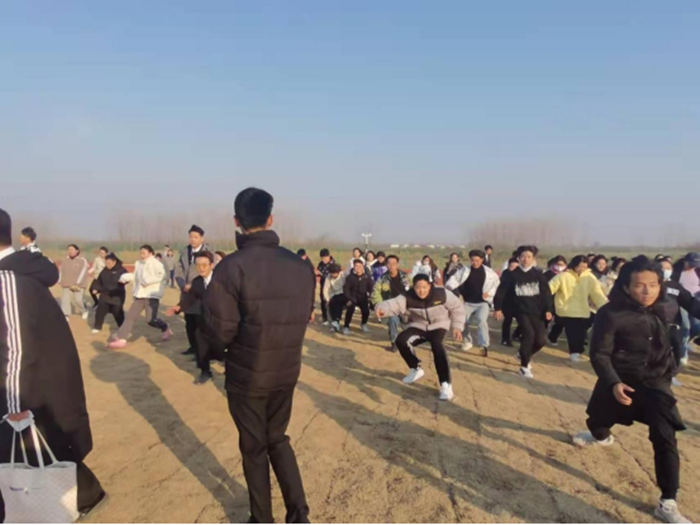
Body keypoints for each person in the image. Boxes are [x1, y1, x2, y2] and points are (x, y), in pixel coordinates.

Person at [203, 187, 314, 524]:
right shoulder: (299, 266)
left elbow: (219, 330)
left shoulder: (230, 268)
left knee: (254, 448)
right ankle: (298, 514)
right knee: (277, 438)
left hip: (248, 374)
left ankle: (262, 518)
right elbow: (303, 315)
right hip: (286, 369)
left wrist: (220, 354)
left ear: (236, 221)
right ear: (270, 219)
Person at [0, 210, 106, 521]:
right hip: (36, 379)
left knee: (30, 446)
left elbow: (16, 345)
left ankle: (74, 498)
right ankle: (86, 494)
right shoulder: (18, 272)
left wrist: (13, 402)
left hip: (26, 381)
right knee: (45, 442)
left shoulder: (8, 279)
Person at [573, 258, 691, 524]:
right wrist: (613, 382)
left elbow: (672, 341)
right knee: (597, 424)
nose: (648, 291)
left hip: (656, 384)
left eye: (653, 285)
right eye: (640, 286)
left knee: (665, 436)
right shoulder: (610, 313)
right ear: (626, 287)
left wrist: (669, 371)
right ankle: (601, 437)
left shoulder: (664, 308)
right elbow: (600, 354)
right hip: (620, 381)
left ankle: (668, 501)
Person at [376, 274, 465, 401]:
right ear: (414, 287)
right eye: (418, 287)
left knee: (438, 346)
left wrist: (457, 326)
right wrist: (381, 309)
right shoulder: (408, 296)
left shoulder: (441, 294)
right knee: (401, 340)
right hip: (419, 325)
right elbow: (393, 304)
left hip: (439, 325)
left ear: (430, 286)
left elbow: (457, 307)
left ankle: (446, 385)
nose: (421, 291)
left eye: (424, 287)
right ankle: (415, 368)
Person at [494, 245, 554, 379]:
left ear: (533, 258)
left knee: (541, 340)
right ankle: (524, 367)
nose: (526, 259)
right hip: (520, 311)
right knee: (529, 335)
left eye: (529, 257)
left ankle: (522, 354)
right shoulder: (511, 275)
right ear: (518, 258)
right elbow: (501, 292)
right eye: (523, 257)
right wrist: (498, 308)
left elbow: (546, 294)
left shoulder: (538, 275)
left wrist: (549, 309)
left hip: (537, 311)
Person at [167, 251, 223, 385]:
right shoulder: (197, 282)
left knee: (222, 347)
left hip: (223, 320)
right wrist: (179, 307)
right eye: (198, 265)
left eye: (204, 265)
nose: (201, 268)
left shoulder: (222, 280)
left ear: (212, 265)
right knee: (200, 342)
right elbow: (191, 297)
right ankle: (205, 372)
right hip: (204, 318)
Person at [107, 245, 172, 349]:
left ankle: (165, 327)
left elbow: (162, 275)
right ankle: (121, 339)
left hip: (152, 296)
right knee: (130, 317)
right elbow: (136, 277)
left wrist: (148, 281)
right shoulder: (139, 264)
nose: (141, 255)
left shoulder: (156, 264)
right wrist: (125, 278)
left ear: (151, 253)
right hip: (140, 295)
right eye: (140, 253)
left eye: (144, 253)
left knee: (150, 320)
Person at [548, 255, 609, 362]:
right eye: (579, 266)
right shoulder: (563, 276)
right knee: (572, 332)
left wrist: (607, 307)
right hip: (567, 309)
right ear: (574, 265)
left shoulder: (590, 277)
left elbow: (597, 294)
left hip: (583, 310)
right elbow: (548, 289)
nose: (582, 269)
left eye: (584, 267)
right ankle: (574, 353)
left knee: (581, 333)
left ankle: (578, 351)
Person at [445, 249, 500, 357]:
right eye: (473, 260)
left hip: (482, 303)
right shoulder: (464, 270)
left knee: (481, 321)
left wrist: (489, 293)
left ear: (482, 260)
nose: (475, 263)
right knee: (462, 321)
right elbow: (454, 279)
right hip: (468, 302)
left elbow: (497, 284)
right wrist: (449, 287)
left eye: (477, 260)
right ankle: (468, 341)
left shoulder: (489, 272)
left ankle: (483, 345)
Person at [659, 257, 700, 386]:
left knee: (675, 351)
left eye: (668, 268)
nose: (666, 270)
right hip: (653, 326)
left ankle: (670, 375)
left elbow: (690, 302)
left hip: (672, 326)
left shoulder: (674, 286)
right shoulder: (651, 286)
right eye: (662, 268)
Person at [175, 225, 210, 357]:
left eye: (196, 237)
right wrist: (182, 284)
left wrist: (194, 284)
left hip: (201, 292)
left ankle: (203, 350)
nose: (193, 239)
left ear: (202, 238)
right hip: (186, 292)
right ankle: (193, 347)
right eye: (191, 237)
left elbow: (211, 271)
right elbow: (178, 269)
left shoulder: (208, 252)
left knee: (201, 322)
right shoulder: (185, 251)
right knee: (189, 322)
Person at [0, 215, 58, 289]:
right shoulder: (23, 249)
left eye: (22, 237)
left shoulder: (34, 251)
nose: (20, 239)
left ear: (27, 238)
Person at [371, 254, 410, 351]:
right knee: (393, 321)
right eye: (389, 263)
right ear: (386, 265)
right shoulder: (382, 278)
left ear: (397, 264)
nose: (391, 266)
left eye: (394, 263)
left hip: (405, 305)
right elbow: (376, 292)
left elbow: (413, 289)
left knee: (407, 325)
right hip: (391, 306)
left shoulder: (405, 277)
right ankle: (394, 343)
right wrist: (379, 305)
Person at [91, 253, 127, 334]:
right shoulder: (104, 271)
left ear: (114, 262)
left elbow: (127, 278)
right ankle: (97, 327)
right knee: (100, 310)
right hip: (105, 294)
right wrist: (96, 288)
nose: (108, 265)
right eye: (106, 263)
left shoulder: (121, 270)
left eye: (109, 263)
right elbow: (98, 280)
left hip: (117, 295)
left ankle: (122, 327)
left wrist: (125, 281)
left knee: (117, 312)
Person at [678, 252, 700, 364]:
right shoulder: (677, 272)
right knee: (685, 327)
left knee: (697, 327)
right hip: (681, 303)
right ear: (685, 261)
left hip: (695, 301)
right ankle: (683, 354)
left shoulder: (698, 271)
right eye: (691, 264)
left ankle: (685, 343)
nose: (693, 267)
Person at [342, 259, 374, 334]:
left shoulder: (367, 277)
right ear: (353, 267)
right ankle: (346, 326)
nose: (358, 268)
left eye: (360, 266)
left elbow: (371, 288)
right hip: (352, 297)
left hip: (363, 297)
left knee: (366, 311)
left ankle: (363, 324)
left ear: (363, 267)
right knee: (350, 310)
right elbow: (346, 289)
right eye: (356, 266)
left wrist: (370, 296)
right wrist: (348, 299)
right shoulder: (350, 277)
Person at [59, 244, 90, 321]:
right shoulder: (65, 260)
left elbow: (83, 272)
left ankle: (84, 310)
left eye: (72, 249)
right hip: (67, 283)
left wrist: (77, 282)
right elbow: (61, 270)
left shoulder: (82, 260)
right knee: (65, 299)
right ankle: (66, 314)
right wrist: (59, 280)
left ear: (77, 251)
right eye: (69, 249)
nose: (70, 251)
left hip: (79, 284)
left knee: (77, 299)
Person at [499, 257, 521, 346]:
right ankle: (505, 339)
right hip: (507, 302)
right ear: (508, 267)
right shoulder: (505, 275)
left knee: (523, 321)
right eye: (512, 267)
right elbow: (501, 292)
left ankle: (516, 334)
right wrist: (498, 307)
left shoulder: (521, 275)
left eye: (516, 267)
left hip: (518, 303)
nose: (514, 269)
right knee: (508, 320)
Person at [323, 263, 347, 332]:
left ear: (338, 272)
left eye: (334, 273)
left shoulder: (343, 275)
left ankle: (336, 321)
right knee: (331, 304)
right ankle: (335, 322)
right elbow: (325, 289)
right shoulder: (328, 277)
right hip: (333, 294)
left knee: (338, 302)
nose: (333, 275)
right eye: (331, 273)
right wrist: (327, 299)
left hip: (343, 293)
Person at [316, 249, 336, 325]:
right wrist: (317, 273)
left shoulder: (333, 264)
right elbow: (318, 273)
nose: (323, 260)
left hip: (332, 287)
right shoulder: (321, 264)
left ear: (329, 256)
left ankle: (334, 318)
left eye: (325, 258)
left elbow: (334, 276)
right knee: (323, 302)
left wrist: (322, 274)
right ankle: (325, 318)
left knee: (332, 302)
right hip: (323, 285)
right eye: (322, 258)